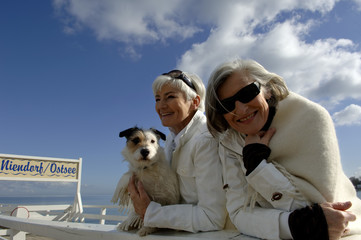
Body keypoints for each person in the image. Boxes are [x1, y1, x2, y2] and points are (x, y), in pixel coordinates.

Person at [205, 59, 361, 240]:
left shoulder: (310, 117)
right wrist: (294, 225)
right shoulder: (230, 141)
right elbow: (239, 213)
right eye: (227, 105)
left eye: (248, 92)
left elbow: (325, 215)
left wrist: (256, 166)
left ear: (267, 89)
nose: (240, 109)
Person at [127, 70, 227, 232]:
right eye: (157, 99)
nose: (161, 106)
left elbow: (212, 217)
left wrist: (150, 213)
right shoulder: (170, 141)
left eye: (170, 97)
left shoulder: (205, 140)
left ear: (195, 102)